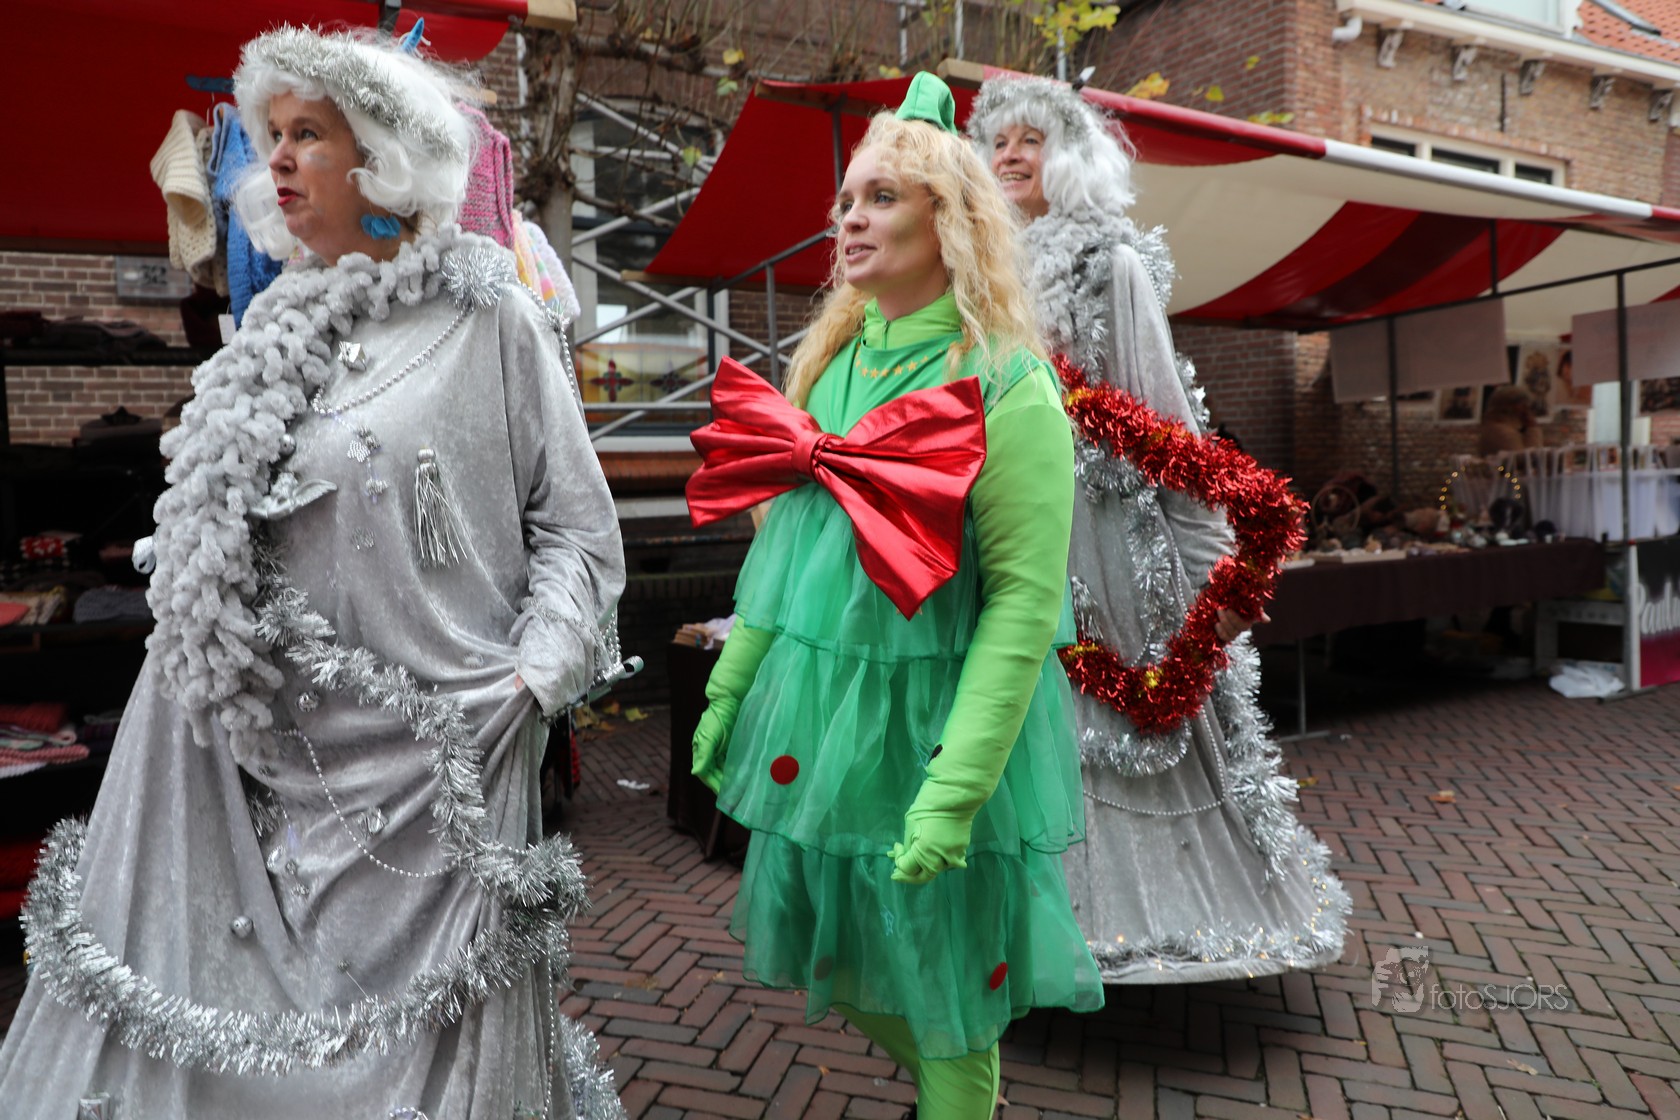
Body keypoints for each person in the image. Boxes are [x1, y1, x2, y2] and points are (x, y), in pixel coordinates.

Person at [0, 26, 628, 1120]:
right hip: (279, 771)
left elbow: (580, 532)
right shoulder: (265, 333)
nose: (277, 158)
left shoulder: (493, 317)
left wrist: (531, 682)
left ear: (382, 155)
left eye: (309, 134)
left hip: (448, 762)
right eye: (272, 135)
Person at [685, 73, 1102, 1119]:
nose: (851, 219)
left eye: (881, 197)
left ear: (948, 218)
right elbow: (790, 560)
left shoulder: (1010, 385)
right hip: (828, 728)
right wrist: (732, 684)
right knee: (837, 945)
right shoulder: (831, 367)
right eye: (845, 201)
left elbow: (1022, 606)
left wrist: (956, 788)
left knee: (949, 993)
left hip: (937, 733)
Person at [969, 75, 1349, 983]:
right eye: (998, 142)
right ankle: (1023, 921)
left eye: (1030, 139)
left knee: (1112, 716)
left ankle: (1133, 918)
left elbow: (1167, 417)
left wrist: (1211, 561)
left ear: (1069, 158)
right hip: (1008, 525)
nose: (1012, 155)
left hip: (1104, 537)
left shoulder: (1110, 264)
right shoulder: (975, 272)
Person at [1480, 384, 1545, 455]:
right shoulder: (1503, 433)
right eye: (1523, 404)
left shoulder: (1495, 426)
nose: (1526, 408)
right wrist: (1532, 427)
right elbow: (1529, 457)